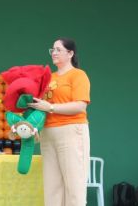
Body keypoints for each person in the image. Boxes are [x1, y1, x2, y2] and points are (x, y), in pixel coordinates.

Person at [28, 38, 91, 206]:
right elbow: (40, 105)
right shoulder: (49, 78)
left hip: (71, 131)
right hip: (48, 133)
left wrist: (50, 107)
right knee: (52, 185)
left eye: (58, 49)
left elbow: (80, 106)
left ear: (70, 53)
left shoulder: (78, 75)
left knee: (74, 184)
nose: (54, 53)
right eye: (52, 50)